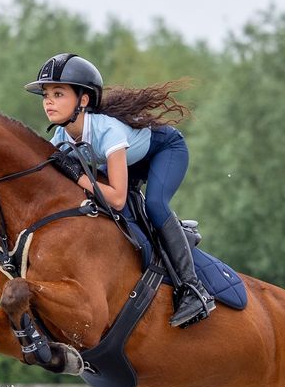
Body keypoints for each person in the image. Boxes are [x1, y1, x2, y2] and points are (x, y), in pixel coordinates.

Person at [24, 52, 215, 328]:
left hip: (164, 151)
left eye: (58, 94)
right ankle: (175, 235)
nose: (49, 102)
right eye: (45, 95)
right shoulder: (61, 138)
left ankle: (194, 289)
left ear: (84, 100)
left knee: (155, 206)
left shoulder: (108, 132)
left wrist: (78, 176)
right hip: (130, 161)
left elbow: (114, 198)